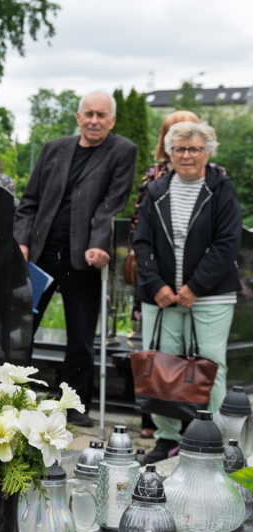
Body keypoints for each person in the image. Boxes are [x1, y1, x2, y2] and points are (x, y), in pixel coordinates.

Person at [13, 91, 138, 427]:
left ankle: (73, 404)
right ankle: (13, 395)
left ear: (112, 120)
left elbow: (112, 203)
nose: (94, 121)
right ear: (79, 117)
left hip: (84, 258)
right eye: (89, 114)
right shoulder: (53, 148)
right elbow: (29, 201)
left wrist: (100, 245)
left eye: (102, 115)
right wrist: (21, 242)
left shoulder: (122, 151)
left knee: (81, 336)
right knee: (22, 328)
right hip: (41, 254)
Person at [134, 121, 242, 462]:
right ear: (169, 153)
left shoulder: (221, 189)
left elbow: (227, 243)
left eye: (195, 148)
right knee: (162, 366)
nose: (187, 155)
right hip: (162, 298)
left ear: (207, 152)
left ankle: (218, 440)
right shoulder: (156, 190)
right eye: (179, 149)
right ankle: (166, 438)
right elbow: (142, 242)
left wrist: (195, 286)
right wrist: (156, 285)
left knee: (211, 365)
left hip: (210, 295)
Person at [129, 110, 201, 440]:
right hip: (156, 276)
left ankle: (192, 422)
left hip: (196, 282)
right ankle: (154, 420)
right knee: (156, 350)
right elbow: (139, 224)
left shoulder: (214, 174)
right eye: (174, 132)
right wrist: (154, 278)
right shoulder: (154, 175)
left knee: (192, 351)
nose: (181, 140)